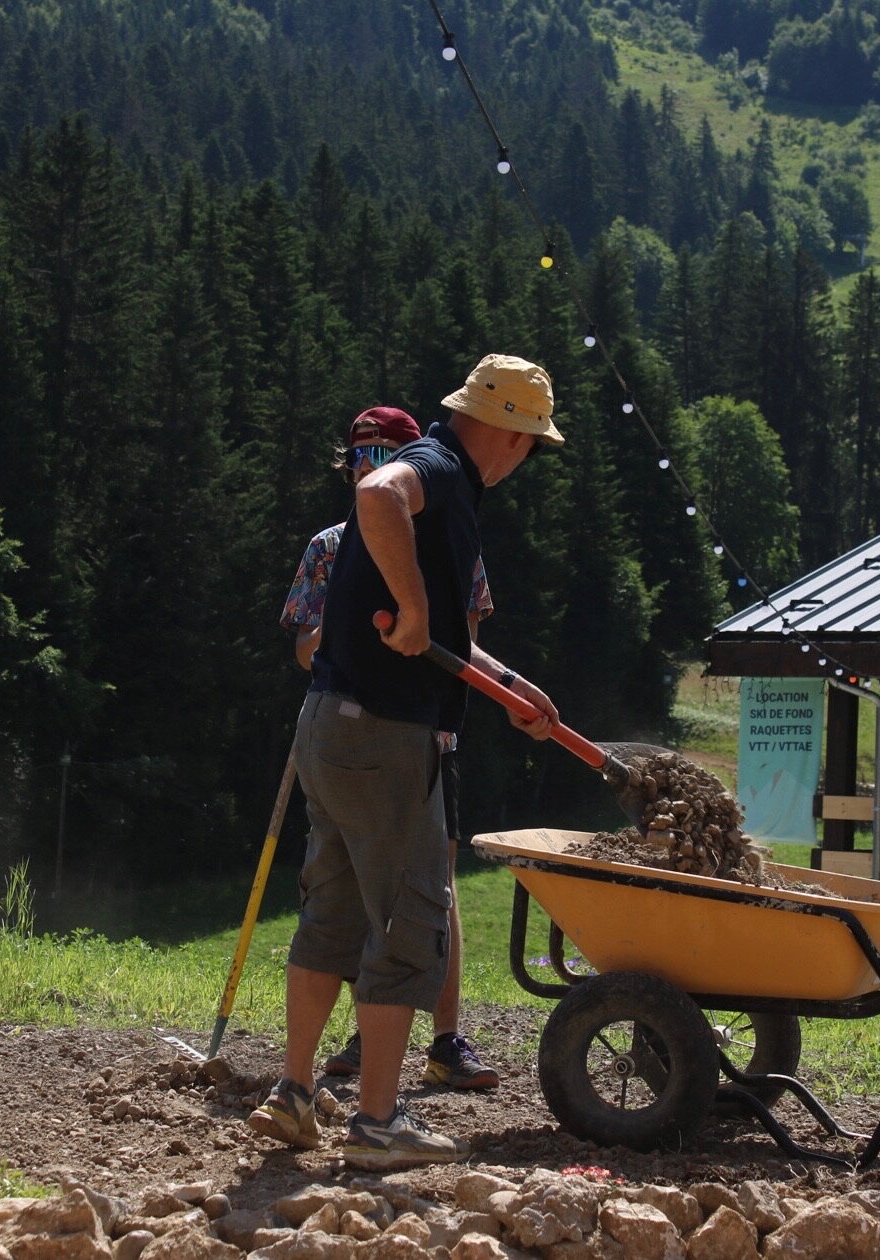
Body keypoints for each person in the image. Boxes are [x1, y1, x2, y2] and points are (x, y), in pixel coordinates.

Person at [248, 354, 563, 1170]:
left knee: (337, 910)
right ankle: (380, 1123)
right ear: (500, 428)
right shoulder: (438, 468)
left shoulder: (448, 484)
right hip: (383, 736)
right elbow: (375, 492)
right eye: (527, 440)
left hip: (331, 722)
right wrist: (417, 604)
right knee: (411, 918)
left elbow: (449, 647)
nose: (524, 457)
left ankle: (292, 1095)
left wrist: (515, 690)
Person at [277, 405, 500, 1092]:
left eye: (385, 456)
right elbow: (304, 646)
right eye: (360, 458)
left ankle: (443, 1036)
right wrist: (352, 624)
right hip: (357, 722)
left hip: (425, 732)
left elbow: (457, 643)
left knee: (426, 890)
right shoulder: (327, 547)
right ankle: (369, 1098)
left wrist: (514, 688)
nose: (371, 470)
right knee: (361, 902)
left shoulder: (443, 532)